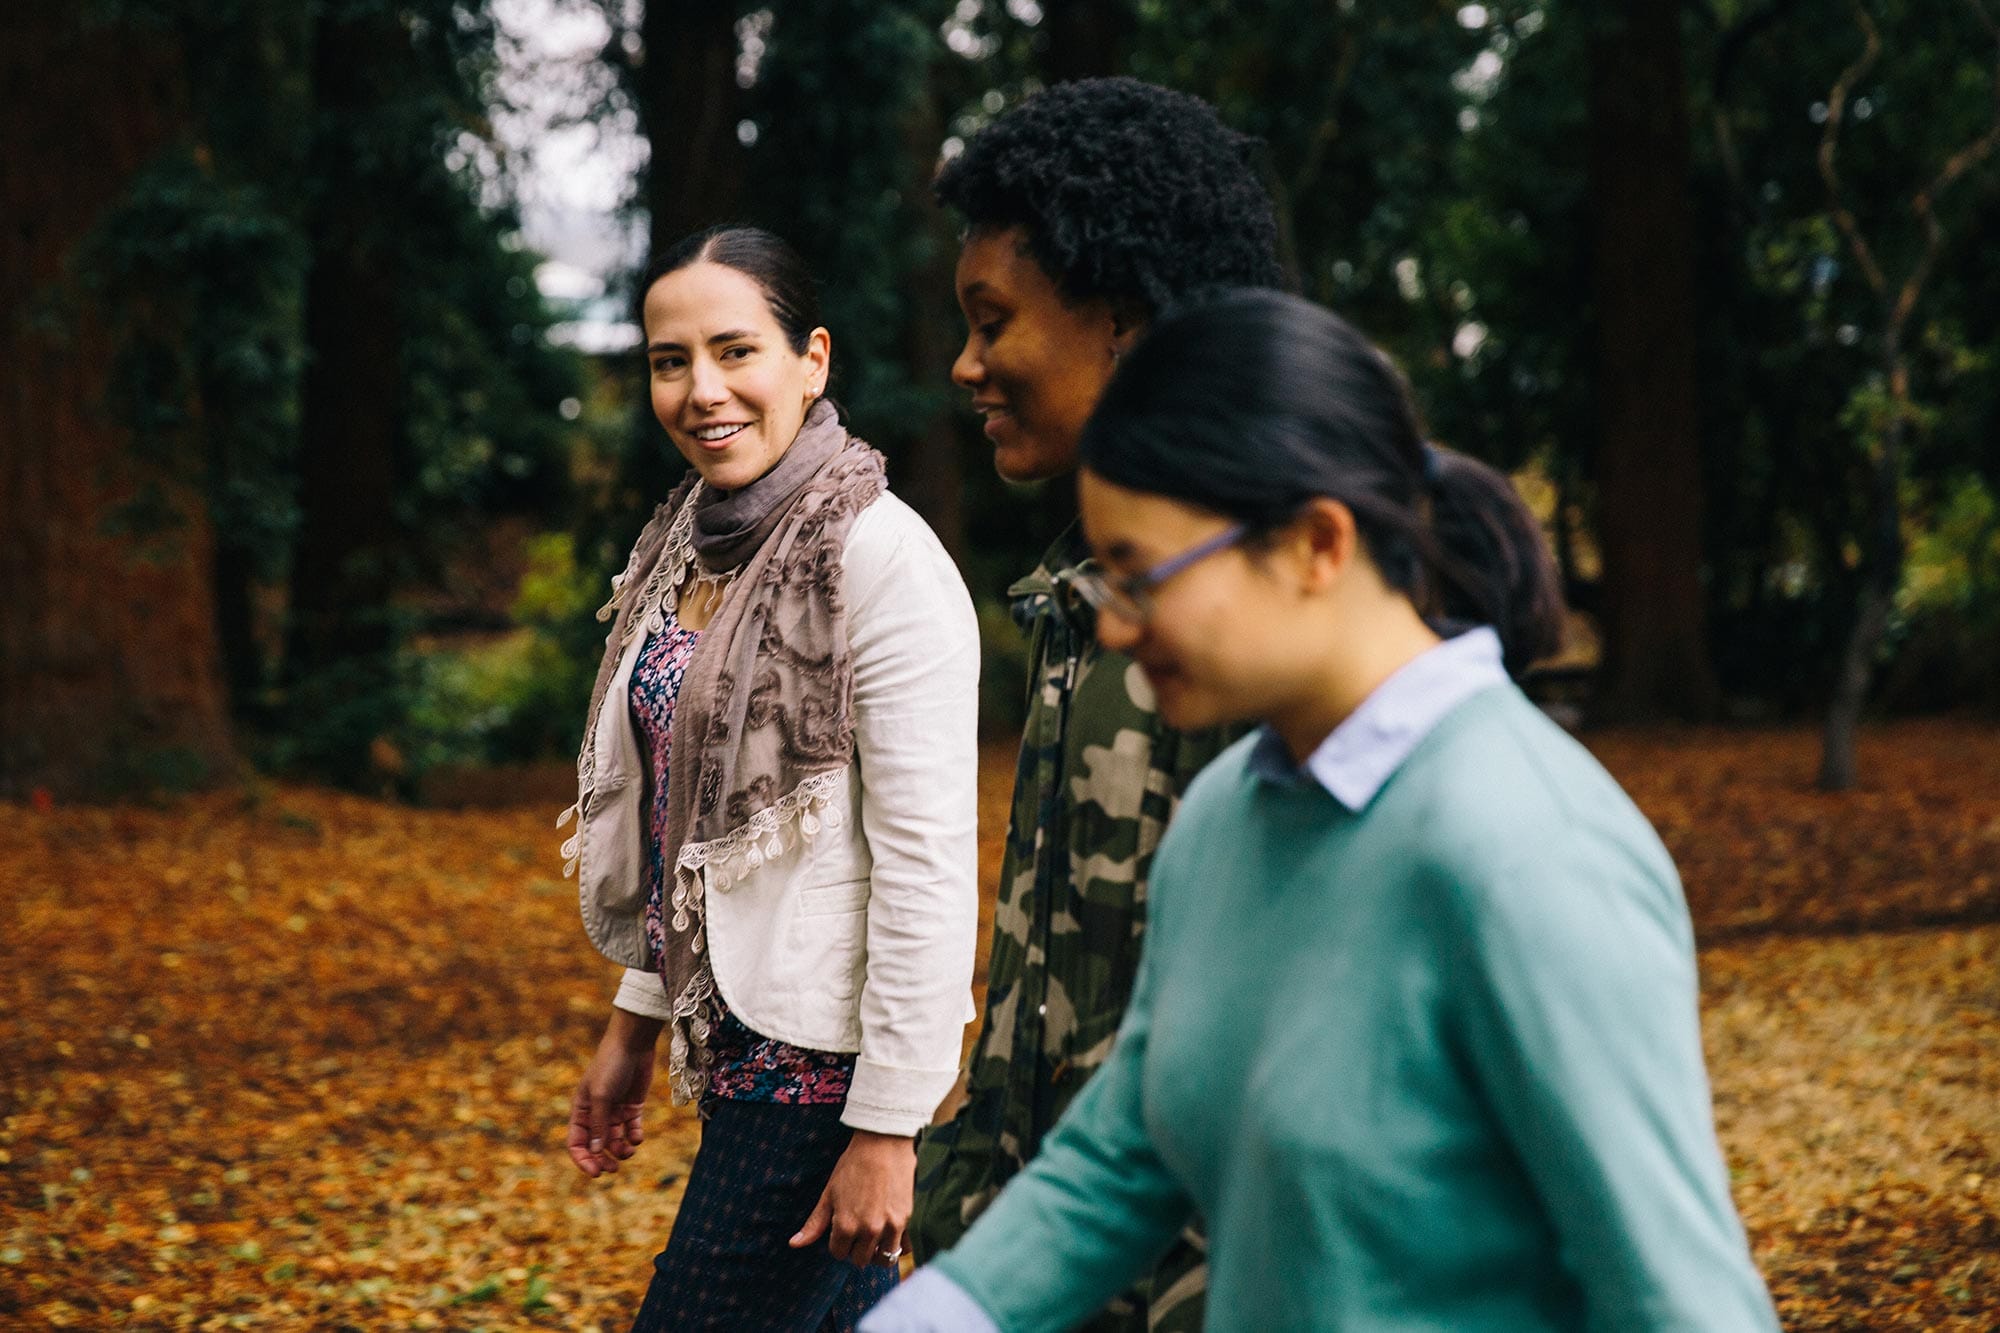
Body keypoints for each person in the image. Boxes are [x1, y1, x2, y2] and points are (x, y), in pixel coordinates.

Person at [867, 290, 1781, 1330]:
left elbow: (1681, 1299)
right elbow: (1120, 1159)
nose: (1115, 629)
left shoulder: (1527, 854)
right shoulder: (1219, 821)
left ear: (1315, 543)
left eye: (1137, 577)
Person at [908, 77, 1286, 1332]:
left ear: (1120, 322)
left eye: (990, 319)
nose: (965, 364)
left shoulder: (1245, 633)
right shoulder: (1080, 604)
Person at [560, 225, 981, 1331]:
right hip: (730, 1044)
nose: (702, 389)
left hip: (820, 1076)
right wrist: (632, 1026)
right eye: (669, 360)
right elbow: (683, 832)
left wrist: (889, 1128)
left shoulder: (880, 559)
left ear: (814, 360)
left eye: (735, 350)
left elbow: (929, 866)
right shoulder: (685, 550)